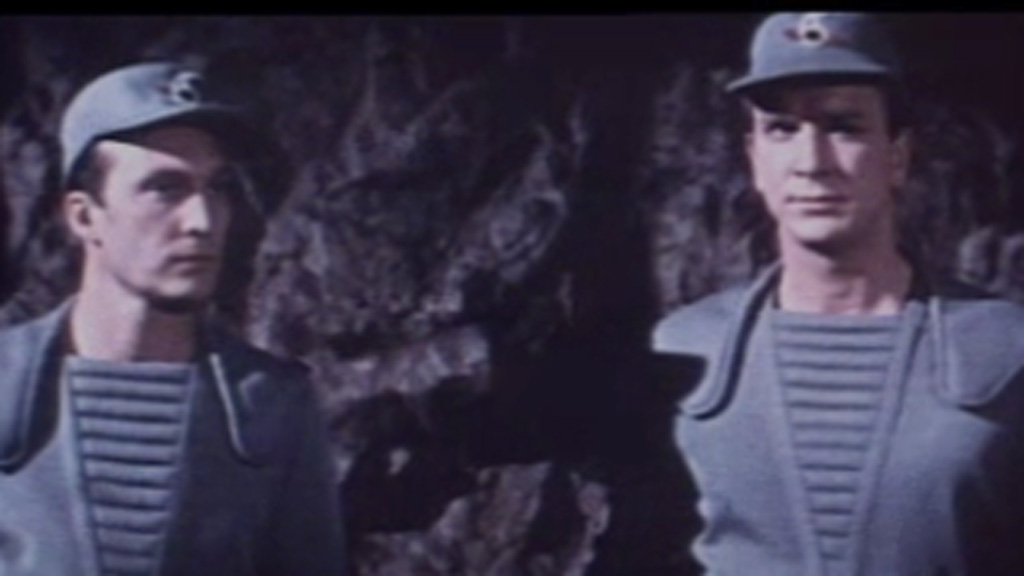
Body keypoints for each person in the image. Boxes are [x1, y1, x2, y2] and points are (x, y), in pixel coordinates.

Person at [652, 12, 1024, 575]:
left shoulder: (1004, 351)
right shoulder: (685, 351)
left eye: (844, 127)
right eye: (782, 130)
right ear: (755, 159)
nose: (812, 163)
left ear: (897, 155)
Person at [0, 62, 346, 575]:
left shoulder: (273, 406)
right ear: (84, 216)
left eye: (218, 187)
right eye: (165, 188)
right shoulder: (7, 386)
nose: (202, 221)